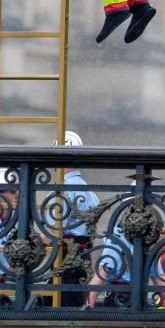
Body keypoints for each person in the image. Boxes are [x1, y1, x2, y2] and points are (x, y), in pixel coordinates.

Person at [58, 130, 100, 307]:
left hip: (66, 256)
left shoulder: (65, 189)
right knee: (78, 303)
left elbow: (55, 229)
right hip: (84, 255)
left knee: (65, 306)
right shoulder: (90, 192)